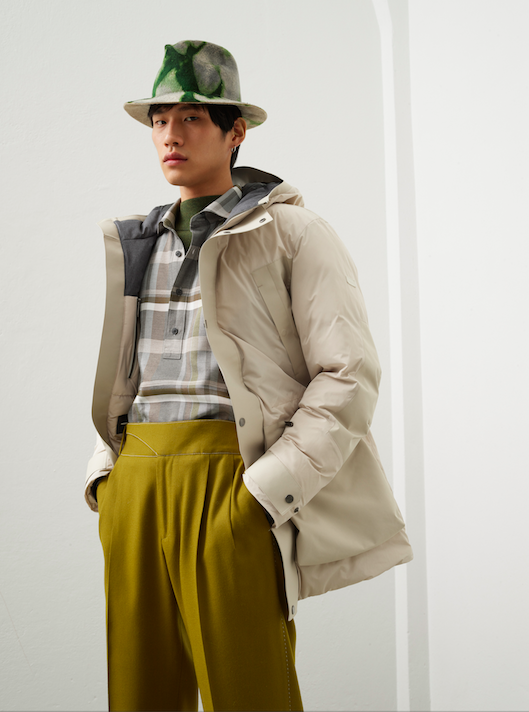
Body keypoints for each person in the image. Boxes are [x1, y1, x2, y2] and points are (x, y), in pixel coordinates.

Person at [85, 39, 413, 712]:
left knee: (251, 692)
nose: (170, 135)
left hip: (231, 481)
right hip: (135, 483)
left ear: (235, 132)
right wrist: (105, 477)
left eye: (191, 118)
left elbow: (348, 373)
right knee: (139, 694)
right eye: (159, 120)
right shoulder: (137, 241)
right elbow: (125, 374)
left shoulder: (293, 232)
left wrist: (265, 493)